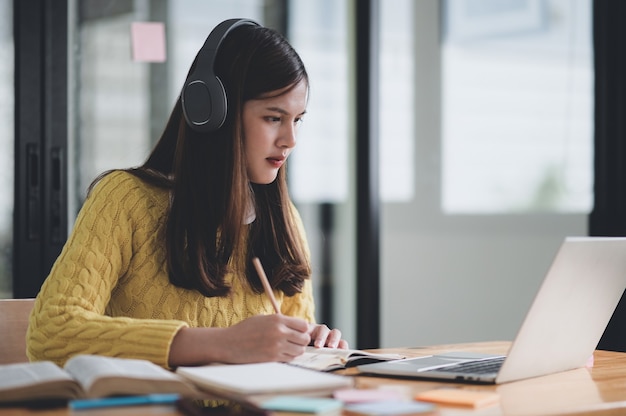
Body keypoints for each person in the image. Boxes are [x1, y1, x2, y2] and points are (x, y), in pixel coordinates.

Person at [26, 18, 348, 369]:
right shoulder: (124, 201)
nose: (290, 140)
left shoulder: (283, 220)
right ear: (210, 112)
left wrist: (309, 344)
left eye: (298, 119)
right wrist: (221, 344)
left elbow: (290, 367)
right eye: (274, 118)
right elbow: (51, 333)